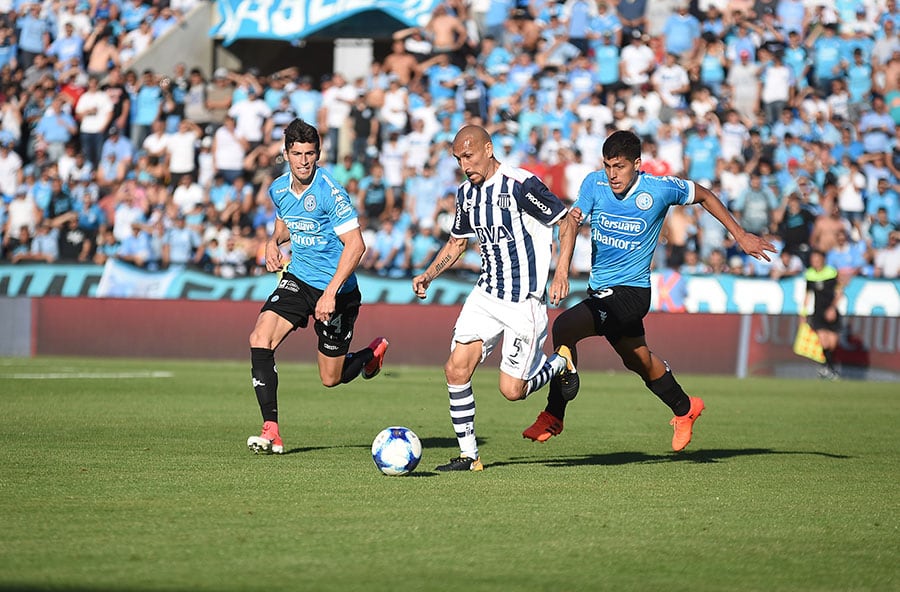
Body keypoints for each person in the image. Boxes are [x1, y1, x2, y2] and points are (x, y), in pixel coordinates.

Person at [522, 130, 776, 451]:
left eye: (619, 167)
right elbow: (571, 222)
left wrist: (740, 235)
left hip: (631, 293)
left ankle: (554, 413)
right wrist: (561, 270)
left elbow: (706, 195)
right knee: (639, 362)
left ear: (637, 164)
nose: (612, 174)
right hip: (601, 291)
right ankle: (685, 409)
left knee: (564, 326)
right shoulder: (594, 183)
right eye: (607, 166)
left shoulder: (659, 189)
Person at [411, 124, 578, 472]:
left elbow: (567, 222)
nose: (464, 165)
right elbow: (457, 243)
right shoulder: (465, 194)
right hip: (486, 294)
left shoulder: (521, 185)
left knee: (512, 391)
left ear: (489, 149)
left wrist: (561, 272)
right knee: (455, 369)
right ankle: (469, 455)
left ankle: (561, 362)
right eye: (458, 159)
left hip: (523, 301)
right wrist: (429, 273)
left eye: (468, 156)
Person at [246, 119, 389, 455]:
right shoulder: (278, 189)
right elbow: (286, 223)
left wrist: (330, 293)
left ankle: (370, 354)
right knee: (259, 338)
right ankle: (271, 431)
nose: (304, 161)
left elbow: (356, 246)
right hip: (298, 279)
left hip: (337, 291)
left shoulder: (330, 191)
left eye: (310, 153)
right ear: (286, 154)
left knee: (330, 378)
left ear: (318, 154)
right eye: (297, 154)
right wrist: (272, 241)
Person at [804, 249, 842, 380]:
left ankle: (825, 367)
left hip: (831, 311)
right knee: (824, 342)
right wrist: (803, 313)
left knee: (832, 344)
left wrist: (832, 308)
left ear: (822, 260)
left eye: (817, 259)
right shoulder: (809, 274)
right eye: (812, 260)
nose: (814, 262)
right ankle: (830, 370)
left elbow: (838, 292)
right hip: (818, 312)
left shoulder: (831, 272)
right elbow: (807, 294)